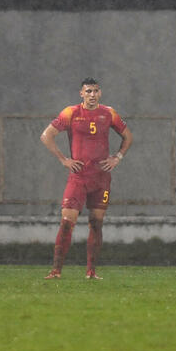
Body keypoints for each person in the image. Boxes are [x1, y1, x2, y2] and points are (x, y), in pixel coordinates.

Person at [40, 77, 133, 279]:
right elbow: (46, 135)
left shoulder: (109, 113)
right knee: (67, 222)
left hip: (101, 178)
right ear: (81, 93)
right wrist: (64, 160)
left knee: (96, 223)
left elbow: (128, 136)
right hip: (79, 177)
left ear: (100, 93)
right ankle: (56, 271)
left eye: (95, 91)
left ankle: (91, 272)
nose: (92, 95)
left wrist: (117, 157)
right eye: (88, 91)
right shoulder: (71, 112)